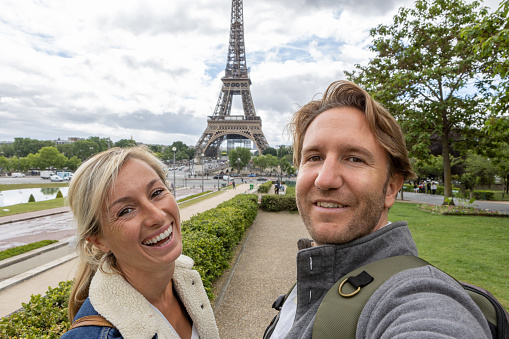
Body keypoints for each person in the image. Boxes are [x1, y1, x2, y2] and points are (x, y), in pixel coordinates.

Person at [264, 80, 490, 338]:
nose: (325, 179)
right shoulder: (315, 272)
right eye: (314, 157)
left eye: (354, 159)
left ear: (391, 188)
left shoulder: (417, 295)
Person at [61, 146, 219, 339]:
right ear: (98, 240)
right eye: (126, 210)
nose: (158, 216)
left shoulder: (185, 282)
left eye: (156, 193)